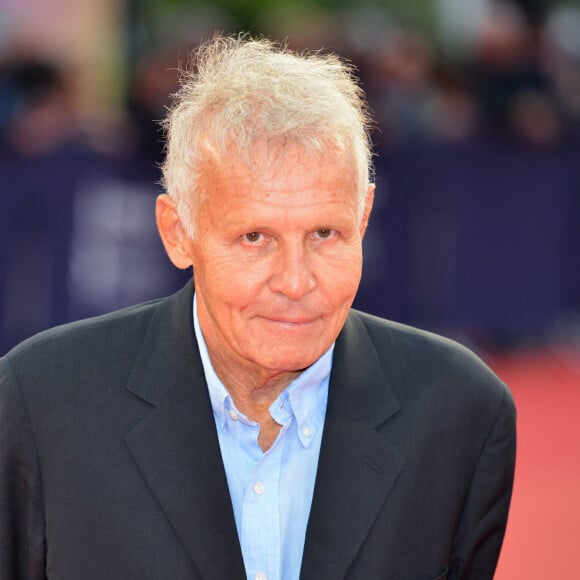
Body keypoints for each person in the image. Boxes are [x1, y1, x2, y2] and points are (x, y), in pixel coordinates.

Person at [0, 34, 516, 580]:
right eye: (254, 237)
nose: (296, 281)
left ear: (363, 216)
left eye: (325, 233)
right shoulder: (42, 403)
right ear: (178, 233)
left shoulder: (461, 413)